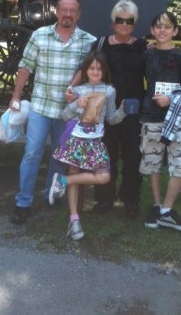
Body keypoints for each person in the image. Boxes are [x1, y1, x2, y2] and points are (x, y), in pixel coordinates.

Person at [9, 0, 96, 224]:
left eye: (72, 11)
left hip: (68, 113)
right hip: (40, 107)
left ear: (79, 14)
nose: (67, 14)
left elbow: (91, 72)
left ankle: (51, 194)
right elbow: (25, 67)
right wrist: (16, 96)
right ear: (57, 12)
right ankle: (23, 202)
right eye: (64, 10)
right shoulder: (40, 36)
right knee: (31, 153)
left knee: (59, 157)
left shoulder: (88, 41)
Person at [49, 51, 127, 240]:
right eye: (92, 68)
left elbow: (111, 119)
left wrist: (123, 110)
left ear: (104, 71)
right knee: (74, 172)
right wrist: (77, 104)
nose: (95, 71)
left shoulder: (109, 91)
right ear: (86, 70)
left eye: (99, 68)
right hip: (75, 137)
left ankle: (62, 181)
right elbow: (65, 116)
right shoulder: (77, 90)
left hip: (95, 141)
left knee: (103, 176)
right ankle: (74, 221)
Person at [140, 11, 181, 232]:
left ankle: (167, 210)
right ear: (151, 30)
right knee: (152, 163)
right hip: (151, 118)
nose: (162, 30)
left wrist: (172, 98)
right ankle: (157, 207)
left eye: (167, 27)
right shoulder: (146, 55)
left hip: (178, 120)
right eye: (158, 26)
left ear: (175, 31)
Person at [89, 0, 147, 218]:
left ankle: (130, 200)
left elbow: (158, 68)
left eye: (129, 21)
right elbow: (87, 68)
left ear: (134, 23)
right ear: (113, 22)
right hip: (107, 110)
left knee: (133, 157)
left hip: (134, 111)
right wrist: (72, 88)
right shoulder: (101, 44)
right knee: (106, 156)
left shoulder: (143, 47)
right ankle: (104, 197)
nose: (124, 25)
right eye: (120, 20)